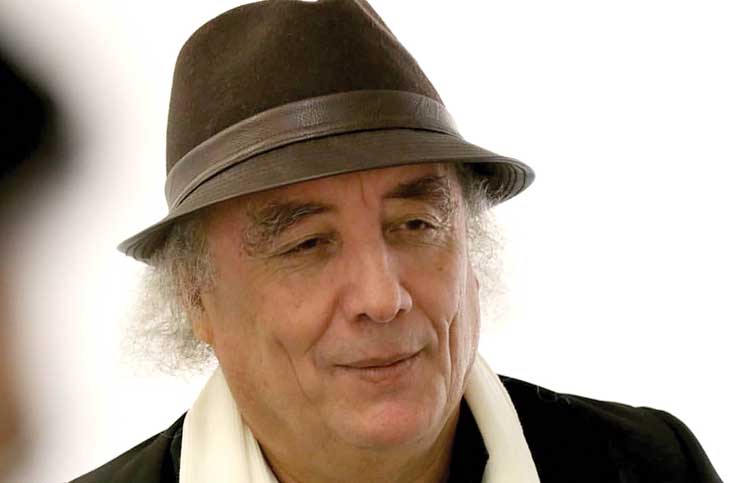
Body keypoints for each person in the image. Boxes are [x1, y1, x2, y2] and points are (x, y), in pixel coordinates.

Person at [73, 1, 722, 482]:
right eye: (307, 244)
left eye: (415, 225)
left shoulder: (651, 465)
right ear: (197, 297)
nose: (383, 299)